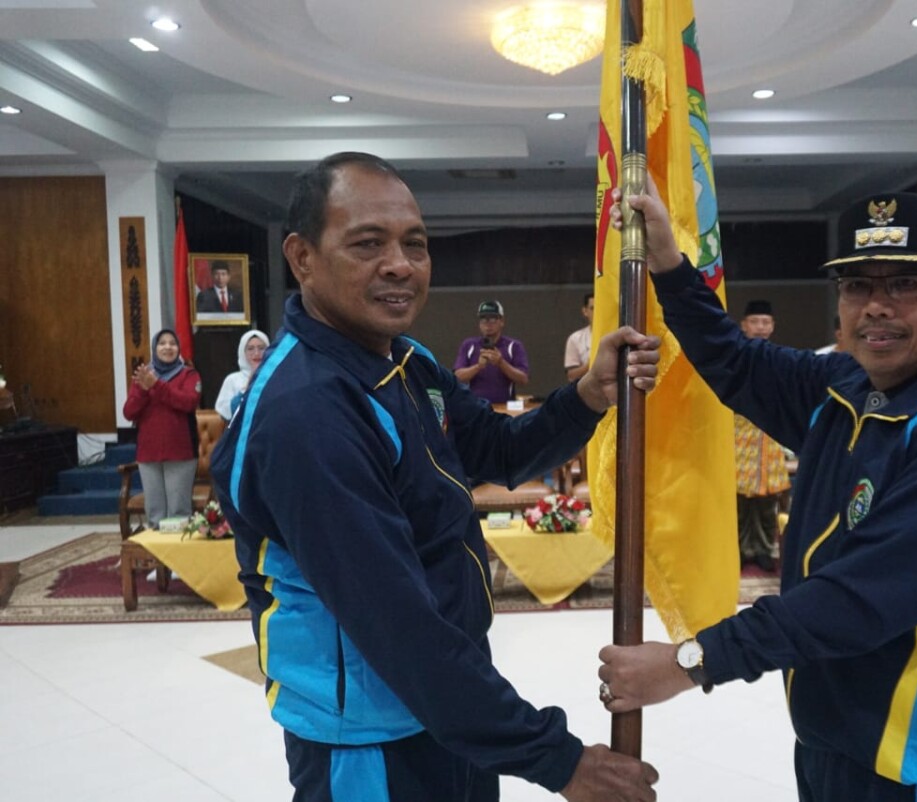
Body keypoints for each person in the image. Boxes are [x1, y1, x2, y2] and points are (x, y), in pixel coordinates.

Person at [209, 152, 661, 802]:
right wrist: (559, 760)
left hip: (448, 708)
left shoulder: (404, 362)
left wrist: (587, 394)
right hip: (367, 736)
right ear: (302, 257)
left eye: (414, 245)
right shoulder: (306, 412)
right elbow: (397, 626)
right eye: (367, 243)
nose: (400, 264)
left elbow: (496, 452)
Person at [601, 183, 917, 801]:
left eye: (905, 285)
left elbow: (862, 597)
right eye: (859, 286)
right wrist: (668, 264)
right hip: (838, 735)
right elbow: (736, 361)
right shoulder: (845, 387)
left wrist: (691, 661)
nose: (877, 306)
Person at [121, 329, 202, 528]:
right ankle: (155, 558)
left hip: (181, 452)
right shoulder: (144, 376)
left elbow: (188, 402)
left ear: (179, 348)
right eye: (162, 343)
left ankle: (178, 558)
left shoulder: (189, 374)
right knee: (154, 513)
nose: (167, 347)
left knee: (178, 513)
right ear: (154, 348)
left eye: (172, 343)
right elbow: (129, 412)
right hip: (148, 454)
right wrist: (143, 388)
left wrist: (156, 385)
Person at [734, 299, 790, 573]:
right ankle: (741, 550)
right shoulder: (734, 355)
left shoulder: (780, 356)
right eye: (754, 322)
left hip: (768, 435)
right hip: (737, 435)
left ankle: (766, 549)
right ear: (744, 325)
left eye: (765, 322)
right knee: (739, 499)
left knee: (767, 500)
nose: (760, 327)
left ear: (772, 327)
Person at [453, 300, 530, 403]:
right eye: (484, 319)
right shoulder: (469, 345)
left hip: (504, 407)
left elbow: (523, 379)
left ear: (502, 321)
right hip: (476, 407)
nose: (488, 324)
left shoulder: (513, 346)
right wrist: (478, 367)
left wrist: (501, 362)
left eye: (493, 319)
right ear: (479, 323)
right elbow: (457, 377)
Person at [214, 329, 270, 421]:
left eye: (261, 348)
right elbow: (225, 413)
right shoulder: (232, 379)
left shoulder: (276, 376)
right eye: (250, 349)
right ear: (243, 352)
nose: (256, 353)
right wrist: (247, 388)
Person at [564, 292, 595, 381]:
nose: (597, 312)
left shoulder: (616, 335)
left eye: (601, 309)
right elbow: (571, 376)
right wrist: (590, 364)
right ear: (585, 311)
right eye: (593, 308)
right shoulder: (575, 339)